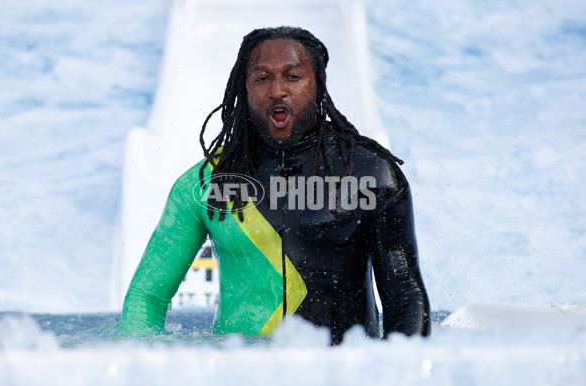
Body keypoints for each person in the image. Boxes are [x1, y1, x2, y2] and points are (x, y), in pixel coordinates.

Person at [118, 26, 430, 344]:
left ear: (318, 84)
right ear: (245, 88)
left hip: (341, 373)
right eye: (262, 78)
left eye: (293, 77)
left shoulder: (368, 176)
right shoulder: (206, 184)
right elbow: (146, 300)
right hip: (238, 374)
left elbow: (405, 294)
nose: (277, 90)